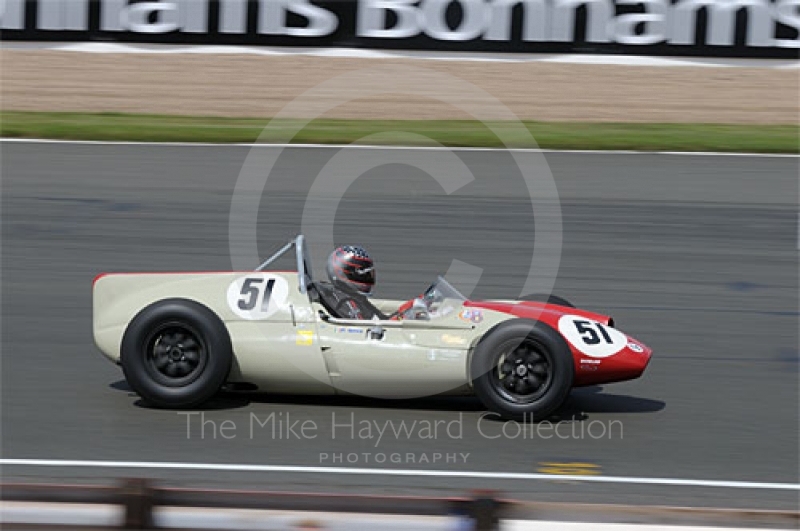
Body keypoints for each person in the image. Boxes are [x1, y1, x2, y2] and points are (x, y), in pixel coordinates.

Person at [313, 245, 387, 320]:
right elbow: (361, 326)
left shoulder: (358, 298)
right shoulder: (346, 301)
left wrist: (398, 315)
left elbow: (383, 320)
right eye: (363, 274)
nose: (367, 278)